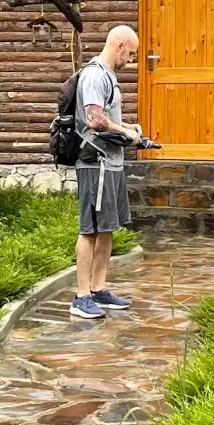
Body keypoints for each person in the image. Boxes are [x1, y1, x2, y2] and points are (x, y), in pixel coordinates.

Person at [70, 24, 152, 320]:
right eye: (130, 54)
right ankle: (80, 298)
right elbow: (94, 119)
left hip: (111, 163)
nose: (130, 60)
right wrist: (125, 132)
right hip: (95, 164)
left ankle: (98, 289)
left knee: (107, 229)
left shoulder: (109, 76)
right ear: (119, 46)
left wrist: (129, 128)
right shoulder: (93, 75)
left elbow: (108, 117)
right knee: (89, 230)